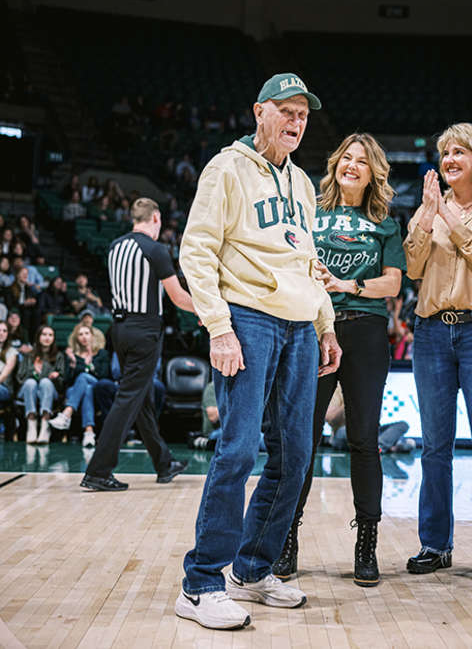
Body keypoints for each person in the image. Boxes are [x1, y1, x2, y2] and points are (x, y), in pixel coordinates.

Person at [177, 73, 341, 630]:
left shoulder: (301, 184)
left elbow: (307, 259)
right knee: (239, 450)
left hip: (299, 327)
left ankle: (252, 568)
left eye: (303, 115)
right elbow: (196, 251)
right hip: (247, 320)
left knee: (295, 456)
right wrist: (218, 327)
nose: (296, 123)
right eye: (286, 112)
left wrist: (325, 323)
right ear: (259, 112)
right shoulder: (226, 169)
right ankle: (200, 584)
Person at [272, 133, 405, 587]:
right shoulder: (311, 212)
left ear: (373, 173)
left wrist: (346, 285)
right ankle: (286, 538)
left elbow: (393, 285)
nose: (352, 165)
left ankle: (366, 544)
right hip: (315, 328)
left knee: (364, 439)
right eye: (346, 158)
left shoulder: (385, 223)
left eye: (362, 161)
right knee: (302, 437)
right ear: (336, 164)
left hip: (366, 331)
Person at [403, 123, 472, 585]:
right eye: (444, 152)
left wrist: (449, 219)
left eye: (459, 151)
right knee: (434, 448)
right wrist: (428, 217)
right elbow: (411, 266)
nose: (448, 158)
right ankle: (435, 544)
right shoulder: (427, 210)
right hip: (430, 334)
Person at [80, 198, 195, 491]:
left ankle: (164, 463)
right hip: (144, 329)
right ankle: (98, 470)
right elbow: (179, 297)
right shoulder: (155, 249)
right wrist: (208, 312)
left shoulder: (115, 246)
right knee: (128, 398)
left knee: (140, 397)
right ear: (155, 218)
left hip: (118, 329)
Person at [49, 323, 110, 446]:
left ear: (92, 336)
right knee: (86, 389)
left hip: (97, 388)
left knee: (84, 377)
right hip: (76, 391)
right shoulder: (72, 356)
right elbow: (68, 382)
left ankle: (67, 413)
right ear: (77, 338)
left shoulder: (102, 354)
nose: (84, 337)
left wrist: (90, 366)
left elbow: (104, 377)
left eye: (86, 333)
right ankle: (89, 432)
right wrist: (72, 364)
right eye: (80, 334)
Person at [18, 325, 65, 444]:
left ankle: (45, 422)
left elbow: (61, 383)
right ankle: (31, 422)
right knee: (30, 383)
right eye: (44, 335)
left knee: (45, 382)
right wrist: (35, 372)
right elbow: (21, 378)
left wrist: (54, 377)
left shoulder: (58, 356)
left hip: (49, 391)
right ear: (38, 337)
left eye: (50, 335)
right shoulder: (30, 355)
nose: (47, 338)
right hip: (30, 391)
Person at [0, 320, 18, 407]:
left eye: (4, 331)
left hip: (4, 388)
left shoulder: (11, 352)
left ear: (8, 334)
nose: (1, 333)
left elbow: (3, 376)